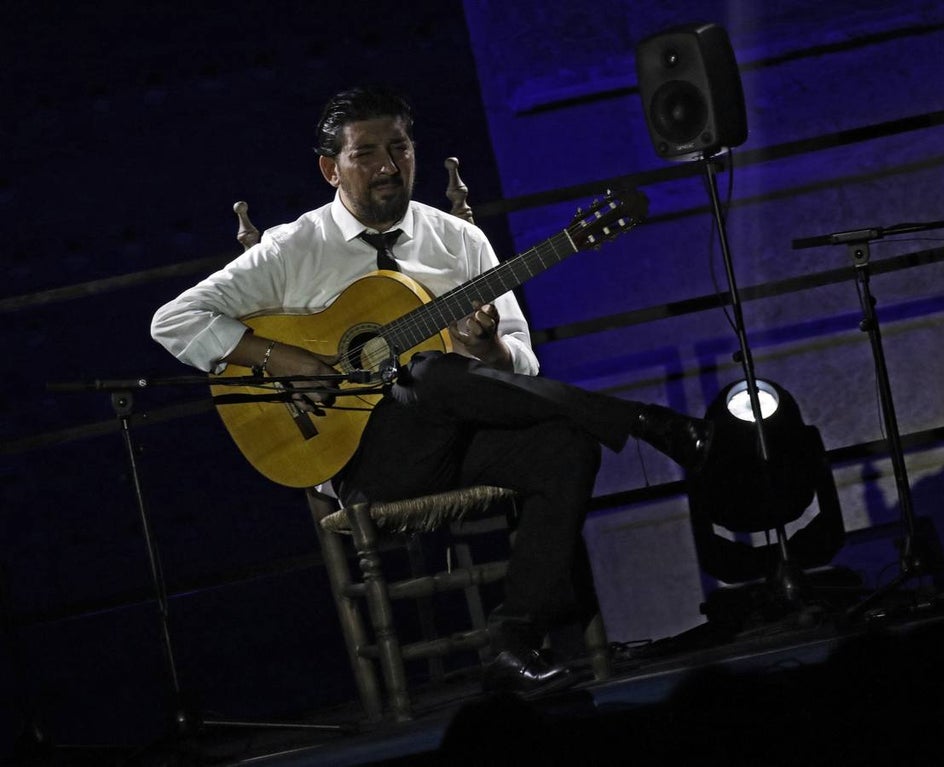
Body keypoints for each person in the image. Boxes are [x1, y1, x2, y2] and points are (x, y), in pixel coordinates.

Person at [150, 84, 713, 697]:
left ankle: (513, 635)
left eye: (400, 148)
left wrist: (488, 350)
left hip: (465, 437)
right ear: (329, 168)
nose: (389, 167)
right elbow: (173, 320)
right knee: (430, 373)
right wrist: (281, 356)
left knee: (564, 444)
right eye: (366, 154)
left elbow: (520, 369)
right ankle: (643, 422)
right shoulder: (292, 249)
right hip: (364, 459)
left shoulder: (460, 241)